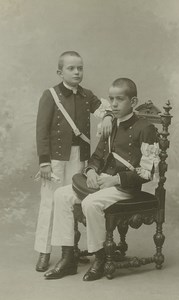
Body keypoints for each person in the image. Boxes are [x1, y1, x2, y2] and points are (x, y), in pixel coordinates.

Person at [44, 78, 160, 281]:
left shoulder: (146, 129)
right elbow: (97, 157)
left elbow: (147, 173)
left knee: (90, 202)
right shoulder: (110, 125)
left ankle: (100, 257)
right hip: (103, 181)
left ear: (133, 101)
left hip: (125, 187)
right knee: (61, 194)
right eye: (111, 99)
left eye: (119, 99)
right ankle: (68, 257)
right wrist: (90, 172)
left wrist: (115, 180)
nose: (113, 104)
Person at [35, 51, 113, 272]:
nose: (77, 72)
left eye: (80, 68)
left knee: (72, 203)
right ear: (60, 72)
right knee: (50, 202)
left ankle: (70, 250)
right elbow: (41, 130)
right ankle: (44, 250)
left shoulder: (87, 95)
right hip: (56, 159)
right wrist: (44, 162)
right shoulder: (50, 95)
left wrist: (107, 116)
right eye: (71, 68)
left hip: (79, 158)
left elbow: (104, 108)